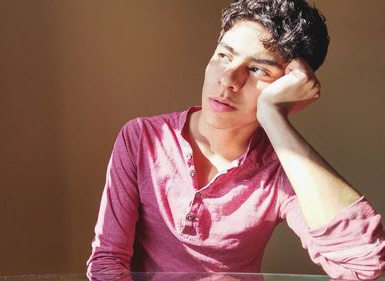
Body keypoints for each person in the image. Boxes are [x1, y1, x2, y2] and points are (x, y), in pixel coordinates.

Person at [87, 0, 385, 280]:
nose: (229, 79)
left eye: (257, 69)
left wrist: (273, 118)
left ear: (287, 87)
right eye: (224, 55)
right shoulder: (143, 139)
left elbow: (364, 263)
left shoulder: (280, 169)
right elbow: (107, 260)